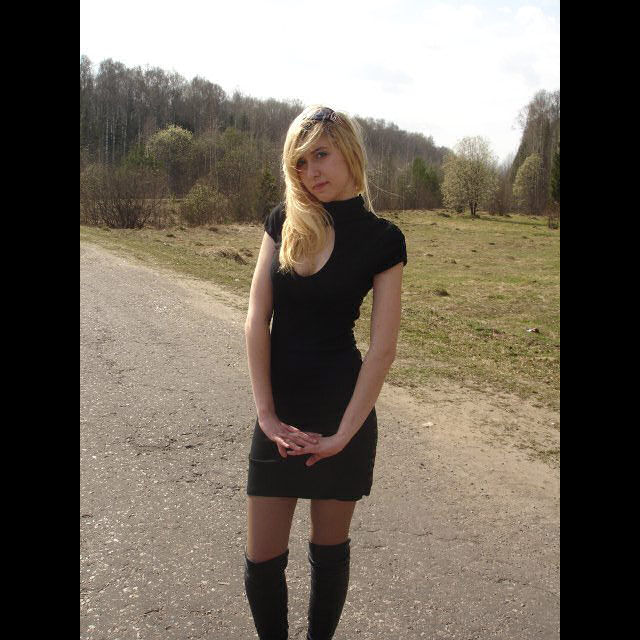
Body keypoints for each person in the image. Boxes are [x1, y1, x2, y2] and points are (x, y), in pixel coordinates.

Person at [243, 104, 407, 639]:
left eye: (320, 154)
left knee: (328, 552)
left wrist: (343, 435)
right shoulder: (283, 221)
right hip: (280, 413)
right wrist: (266, 415)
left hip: (342, 412)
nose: (311, 170)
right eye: (300, 161)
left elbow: (382, 349)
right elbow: (256, 320)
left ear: (349, 153)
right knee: (262, 559)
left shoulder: (384, 239)